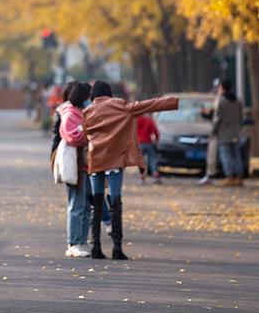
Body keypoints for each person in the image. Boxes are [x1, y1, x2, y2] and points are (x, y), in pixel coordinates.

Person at [83, 81, 179, 260]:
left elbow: (84, 135)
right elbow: (148, 105)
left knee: (97, 203)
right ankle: (117, 248)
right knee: (115, 202)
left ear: (93, 95)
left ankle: (96, 246)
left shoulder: (87, 111)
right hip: (115, 161)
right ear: (109, 93)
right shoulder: (120, 105)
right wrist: (172, 102)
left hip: (95, 160)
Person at [59, 82, 92, 258]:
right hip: (76, 167)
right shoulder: (70, 115)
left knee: (86, 206)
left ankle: (82, 240)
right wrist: (88, 132)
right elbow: (73, 137)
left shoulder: (82, 113)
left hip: (87, 166)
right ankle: (73, 242)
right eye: (89, 97)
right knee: (76, 206)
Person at [212, 79, 244, 186]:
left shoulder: (221, 101)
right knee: (237, 156)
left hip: (224, 134)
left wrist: (214, 131)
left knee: (226, 156)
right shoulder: (238, 101)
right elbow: (241, 118)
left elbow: (218, 119)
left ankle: (229, 177)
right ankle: (239, 178)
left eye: (220, 87)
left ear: (223, 88)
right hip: (236, 133)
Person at [136, 114, 161, 182]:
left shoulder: (135, 120)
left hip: (139, 143)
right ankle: (155, 175)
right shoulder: (148, 120)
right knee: (152, 159)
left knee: (141, 161)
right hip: (148, 142)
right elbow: (155, 130)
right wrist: (157, 139)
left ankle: (142, 177)